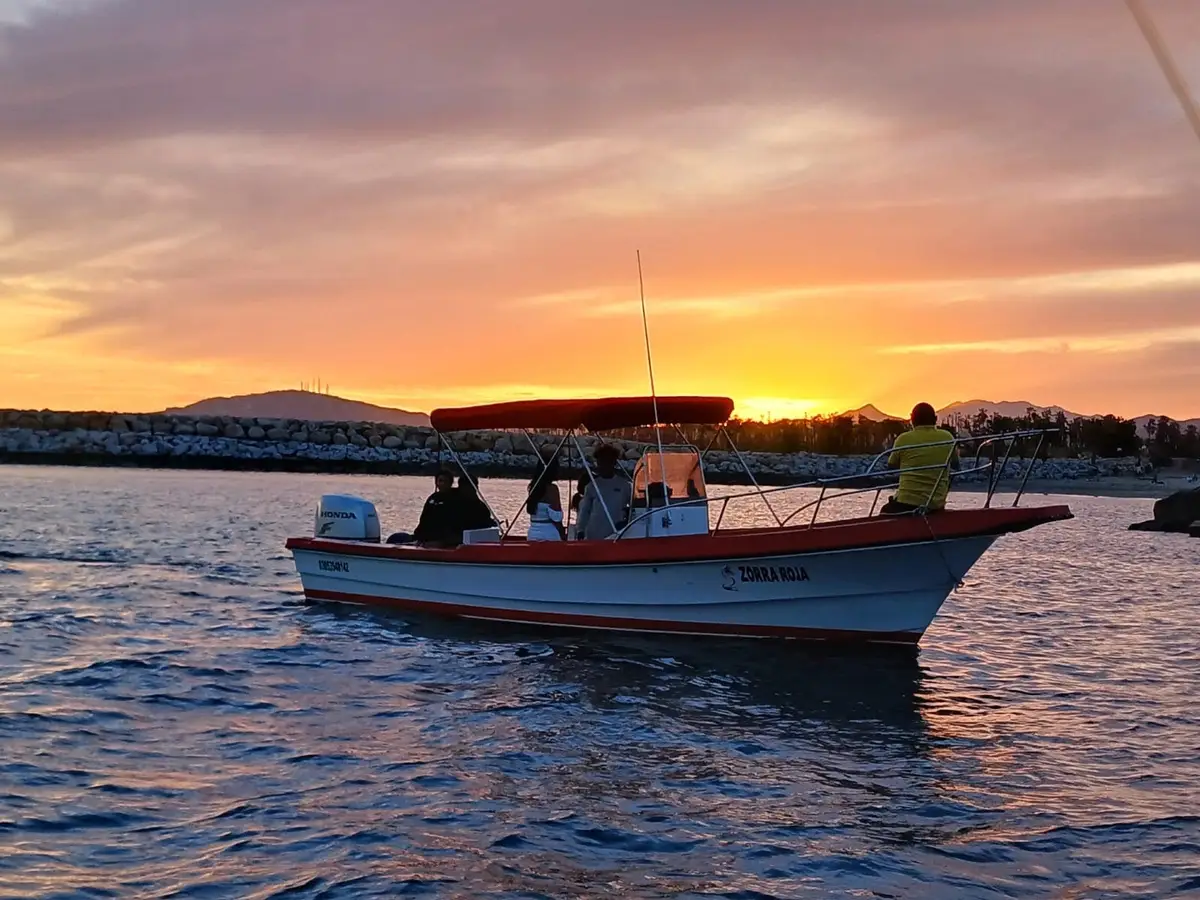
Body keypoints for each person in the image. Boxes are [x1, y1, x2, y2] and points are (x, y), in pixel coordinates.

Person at [881, 403, 959, 515]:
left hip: (907, 502)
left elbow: (891, 465)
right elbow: (956, 465)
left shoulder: (903, 439)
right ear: (935, 419)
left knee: (884, 512)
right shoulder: (948, 437)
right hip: (935, 504)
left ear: (912, 419)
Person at [576, 443, 633, 540]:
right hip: (593, 535)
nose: (602, 466)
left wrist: (626, 521)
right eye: (600, 462)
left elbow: (632, 509)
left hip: (616, 534)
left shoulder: (625, 486)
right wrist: (580, 530)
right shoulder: (591, 487)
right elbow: (584, 512)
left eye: (607, 462)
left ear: (614, 463)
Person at [410, 469, 462, 546]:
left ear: (450, 483)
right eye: (440, 481)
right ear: (436, 483)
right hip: (427, 538)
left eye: (445, 481)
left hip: (446, 539)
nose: (442, 484)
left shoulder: (456, 499)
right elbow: (424, 518)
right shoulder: (433, 498)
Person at [526, 453, 566, 541]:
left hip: (532, 533)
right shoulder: (552, 489)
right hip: (549, 534)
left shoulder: (533, 487)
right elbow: (557, 517)